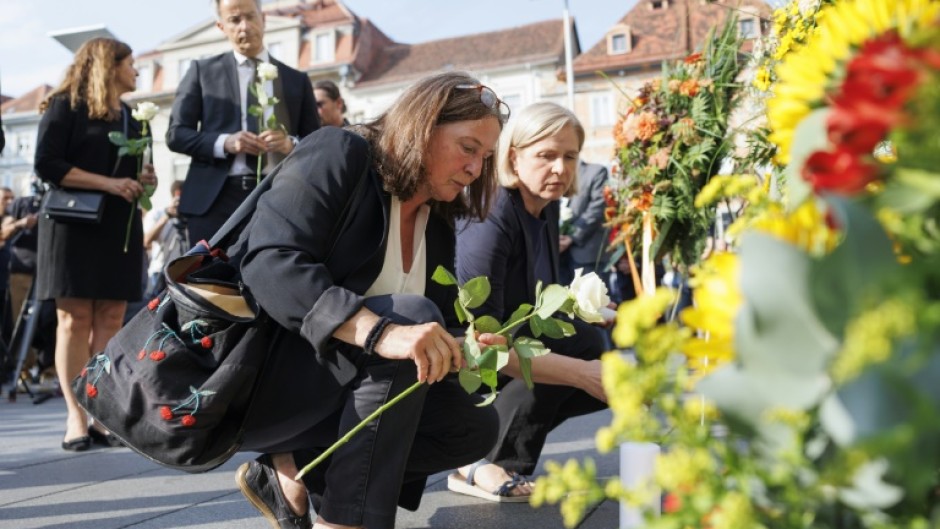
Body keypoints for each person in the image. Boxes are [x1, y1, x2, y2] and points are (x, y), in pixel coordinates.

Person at [453, 102, 608, 501]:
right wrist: (579, 373)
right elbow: (482, 341)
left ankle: (503, 454)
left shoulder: (544, 206)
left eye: (569, 156)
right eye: (546, 155)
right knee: (572, 356)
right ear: (513, 157)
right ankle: (476, 459)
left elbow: (541, 298)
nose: (560, 168)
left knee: (588, 343)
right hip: (463, 358)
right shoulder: (492, 215)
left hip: (514, 337)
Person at [34, 37, 156, 451]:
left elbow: (135, 174)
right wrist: (109, 183)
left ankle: (99, 412)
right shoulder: (64, 106)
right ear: (110, 65)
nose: (136, 71)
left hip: (118, 226)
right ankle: (74, 415)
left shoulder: (136, 119)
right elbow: (47, 163)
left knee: (111, 319)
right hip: (73, 224)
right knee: (74, 321)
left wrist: (145, 182)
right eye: (131, 63)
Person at [166, 0, 320, 246]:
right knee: (208, 281)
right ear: (221, 26)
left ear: (263, 18)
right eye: (234, 20)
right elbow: (176, 134)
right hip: (214, 201)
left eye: (250, 17)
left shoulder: (296, 80)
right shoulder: (201, 72)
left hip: (277, 195)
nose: (244, 26)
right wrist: (224, 142)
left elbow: (316, 144)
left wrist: (290, 144)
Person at [559, 160, 611, 286]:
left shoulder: (595, 171)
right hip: (556, 256)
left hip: (586, 254)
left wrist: (572, 236)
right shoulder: (550, 173)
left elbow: (597, 208)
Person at [142, 180, 186, 297]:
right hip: (160, 272)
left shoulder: (190, 216)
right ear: (177, 194)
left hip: (183, 273)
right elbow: (146, 241)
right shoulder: (157, 214)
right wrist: (166, 216)